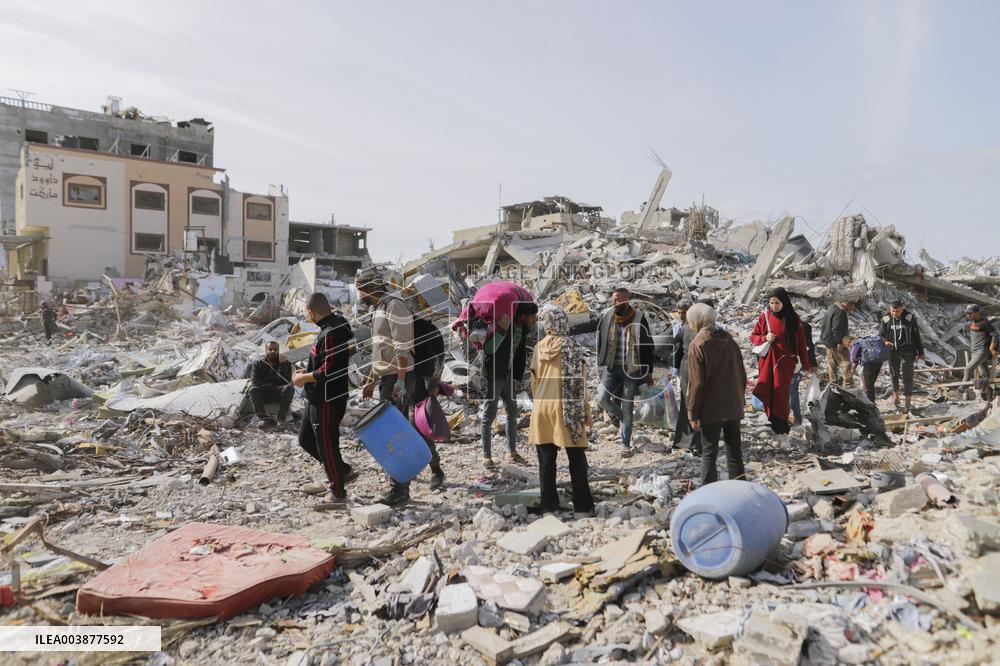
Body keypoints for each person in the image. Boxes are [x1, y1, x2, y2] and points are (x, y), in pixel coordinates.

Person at [357, 267, 445, 505]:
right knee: (411, 427)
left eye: (360, 291)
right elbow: (381, 351)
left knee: (394, 432)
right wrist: (371, 381)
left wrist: (400, 382)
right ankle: (433, 468)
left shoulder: (395, 305)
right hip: (389, 377)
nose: (359, 296)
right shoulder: (379, 309)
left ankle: (400, 489)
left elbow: (402, 347)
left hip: (402, 377)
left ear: (366, 289)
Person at [452, 281, 536, 470]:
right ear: (524, 316)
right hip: (492, 375)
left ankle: (511, 452)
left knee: (512, 411)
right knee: (489, 414)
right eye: (533, 317)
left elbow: (519, 351)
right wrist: (501, 331)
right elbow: (489, 349)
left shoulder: (520, 328)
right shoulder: (502, 325)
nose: (535, 320)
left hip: (507, 374)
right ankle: (486, 456)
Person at [528, 306, 595, 517]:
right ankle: (583, 507)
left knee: (547, 461)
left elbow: (534, 380)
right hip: (566, 408)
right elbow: (578, 384)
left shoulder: (538, 348)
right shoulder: (572, 347)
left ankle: (550, 507)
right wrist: (586, 412)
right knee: (576, 459)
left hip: (542, 408)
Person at [291, 293, 355, 503]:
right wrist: (305, 371)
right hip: (318, 396)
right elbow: (324, 361)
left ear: (311, 313)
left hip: (328, 398)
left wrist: (304, 378)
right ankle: (341, 470)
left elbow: (329, 369)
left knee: (327, 444)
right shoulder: (330, 328)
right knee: (306, 439)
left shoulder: (332, 332)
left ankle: (337, 491)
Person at [686, 304, 747, 485]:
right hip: (733, 404)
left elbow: (696, 383)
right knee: (734, 448)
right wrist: (739, 398)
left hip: (711, 408)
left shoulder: (697, 345)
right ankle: (740, 486)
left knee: (709, 452)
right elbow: (742, 373)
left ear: (697, 321)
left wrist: (692, 412)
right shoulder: (729, 340)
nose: (689, 325)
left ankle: (708, 491)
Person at [595, 287, 655, 456]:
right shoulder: (607, 316)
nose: (616, 303)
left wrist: (648, 372)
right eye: (614, 299)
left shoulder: (639, 318)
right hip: (612, 368)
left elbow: (648, 346)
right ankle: (624, 420)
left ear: (627, 300)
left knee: (627, 405)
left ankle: (625, 444)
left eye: (619, 300)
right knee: (602, 399)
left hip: (631, 369)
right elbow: (592, 326)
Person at [751, 287, 812, 447]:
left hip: (785, 362)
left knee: (781, 393)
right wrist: (765, 337)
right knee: (769, 391)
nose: (774, 306)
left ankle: (782, 428)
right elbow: (754, 336)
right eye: (771, 302)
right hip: (767, 362)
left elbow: (801, 342)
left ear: (784, 302)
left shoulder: (793, 318)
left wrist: (806, 364)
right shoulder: (765, 317)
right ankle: (775, 427)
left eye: (777, 303)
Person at [879, 300, 925, 412]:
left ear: (902, 309)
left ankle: (908, 401)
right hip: (892, 351)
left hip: (908, 352)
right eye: (892, 311)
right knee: (894, 374)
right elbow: (880, 335)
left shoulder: (909, 318)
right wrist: (885, 342)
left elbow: (916, 336)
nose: (894, 313)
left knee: (907, 376)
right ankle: (896, 397)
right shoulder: (886, 319)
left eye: (897, 311)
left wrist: (921, 352)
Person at [671, 300, 702, 454]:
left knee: (691, 406)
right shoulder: (689, 326)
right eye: (680, 312)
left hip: (689, 369)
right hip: (688, 370)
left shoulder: (693, 327)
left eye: (685, 312)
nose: (682, 315)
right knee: (689, 405)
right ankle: (689, 442)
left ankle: (692, 442)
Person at [248, 340, 294, 426]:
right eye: (270, 349)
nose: (273, 351)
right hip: (264, 393)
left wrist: (282, 365)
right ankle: (264, 418)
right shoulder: (258, 364)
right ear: (266, 350)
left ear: (278, 350)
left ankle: (281, 417)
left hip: (278, 393)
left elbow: (286, 381)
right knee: (253, 390)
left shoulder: (285, 363)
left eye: (275, 349)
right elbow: (255, 382)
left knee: (289, 388)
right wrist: (270, 386)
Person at [962, 304, 999, 396]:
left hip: (982, 351)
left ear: (977, 312)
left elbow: (996, 335)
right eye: (967, 313)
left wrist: (991, 348)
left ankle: (961, 389)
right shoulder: (973, 322)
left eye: (970, 313)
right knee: (985, 375)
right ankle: (986, 393)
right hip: (974, 351)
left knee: (968, 369)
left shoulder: (984, 323)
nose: (968, 316)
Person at [790, 319, 819, 425]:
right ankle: (793, 417)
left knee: (792, 391)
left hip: (795, 365)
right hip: (780, 365)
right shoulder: (776, 325)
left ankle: (796, 417)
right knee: (788, 392)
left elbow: (809, 346)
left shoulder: (805, 327)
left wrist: (813, 364)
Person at [820, 300, 854, 387]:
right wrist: (839, 342)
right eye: (852, 307)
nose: (852, 309)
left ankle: (833, 384)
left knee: (832, 364)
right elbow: (836, 328)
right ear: (847, 304)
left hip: (828, 341)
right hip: (835, 342)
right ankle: (848, 385)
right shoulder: (840, 312)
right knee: (846, 362)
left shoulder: (831, 308)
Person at [847, 335, 883, 403]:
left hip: (868, 363)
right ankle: (870, 400)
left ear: (848, 342)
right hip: (878, 361)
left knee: (868, 386)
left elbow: (853, 358)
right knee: (871, 383)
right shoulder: (865, 341)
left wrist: (852, 370)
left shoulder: (855, 343)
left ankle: (871, 403)